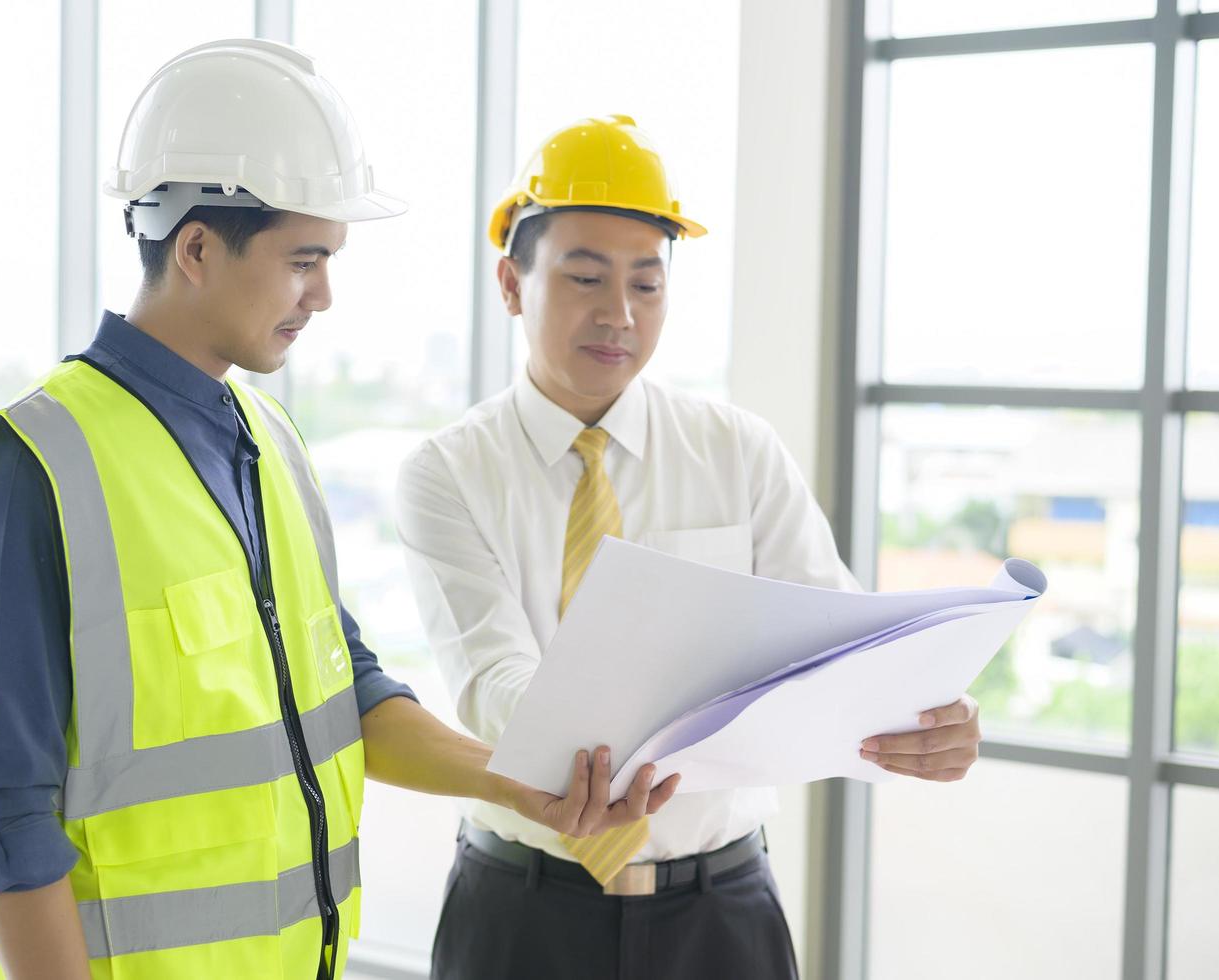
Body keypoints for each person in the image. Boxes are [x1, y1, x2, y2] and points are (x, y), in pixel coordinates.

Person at [0, 45, 673, 980]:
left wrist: (520, 787)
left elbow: (342, 697)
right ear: (196, 248)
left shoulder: (269, 438)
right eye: (303, 261)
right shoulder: (33, 465)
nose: (323, 295)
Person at [395, 114, 982, 980]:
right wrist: (603, 751)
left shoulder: (736, 452)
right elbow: (492, 687)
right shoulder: (446, 473)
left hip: (719, 915)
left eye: (647, 283)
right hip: (522, 914)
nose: (618, 314)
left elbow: (840, 642)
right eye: (585, 276)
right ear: (512, 282)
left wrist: (926, 714)